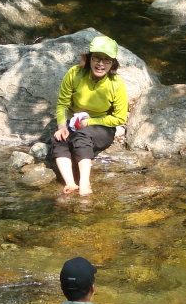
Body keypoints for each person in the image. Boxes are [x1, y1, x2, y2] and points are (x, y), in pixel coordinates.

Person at [51, 34, 128, 196]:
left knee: (82, 136)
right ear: (89, 59)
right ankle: (70, 183)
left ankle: (84, 183)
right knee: (58, 138)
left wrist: (90, 121)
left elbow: (120, 118)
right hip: (73, 123)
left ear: (112, 63)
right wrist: (62, 126)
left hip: (102, 128)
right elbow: (62, 104)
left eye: (107, 60)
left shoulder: (116, 84)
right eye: (97, 58)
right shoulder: (74, 73)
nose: (101, 64)